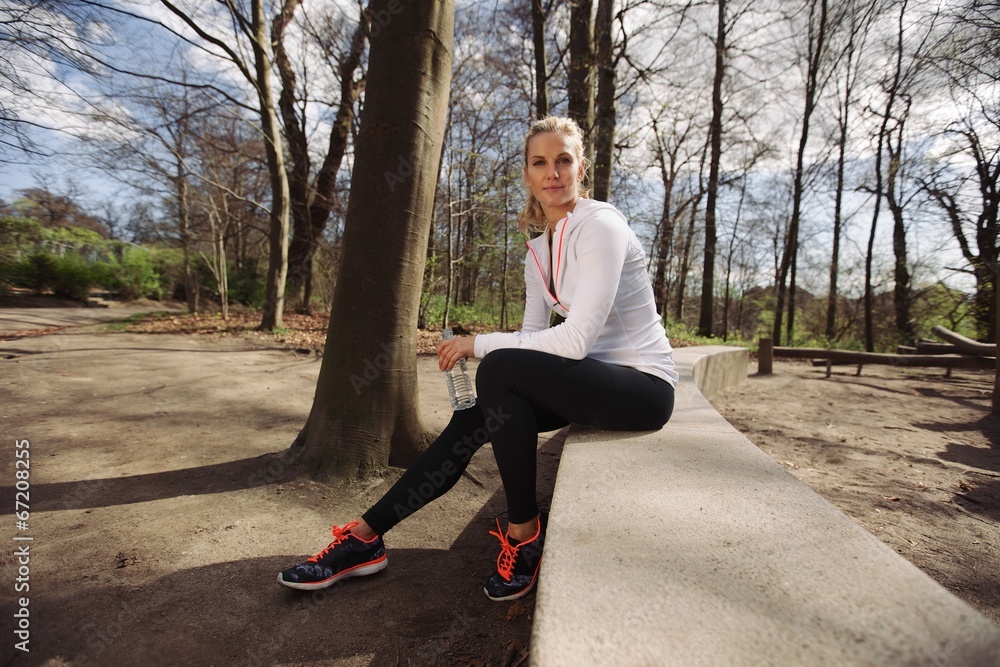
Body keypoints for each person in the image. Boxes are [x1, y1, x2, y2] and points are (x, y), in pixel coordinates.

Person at [278, 116, 677, 601]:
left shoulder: (601, 227)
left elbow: (571, 343)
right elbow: (532, 338)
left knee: (500, 366)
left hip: (643, 387)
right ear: (527, 174)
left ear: (581, 169)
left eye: (563, 161)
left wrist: (477, 344)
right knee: (477, 412)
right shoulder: (539, 250)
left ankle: (524, 535)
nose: (553, 172)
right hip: (590, 383)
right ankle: (366, 537)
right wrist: (493, 356)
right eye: (540, 163)